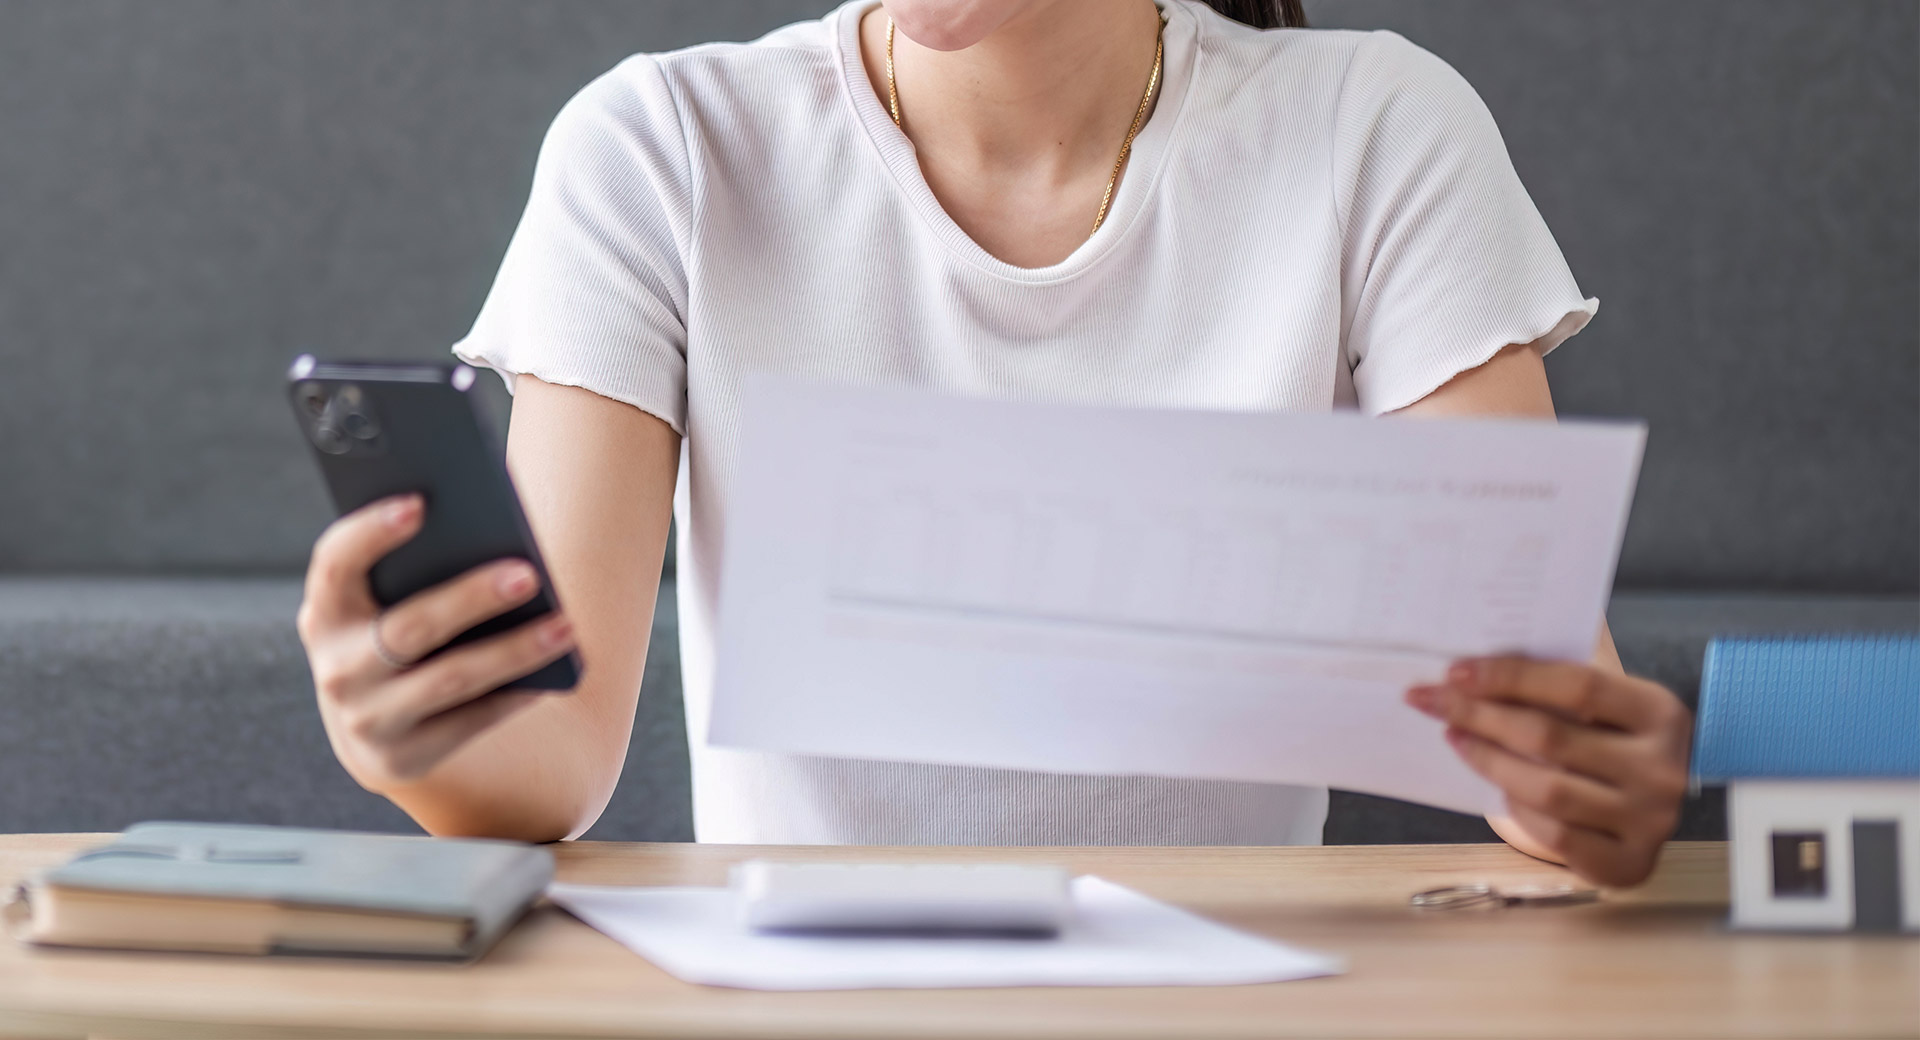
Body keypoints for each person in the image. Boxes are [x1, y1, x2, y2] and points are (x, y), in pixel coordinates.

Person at [294, 0, 1692, 887]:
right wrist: (413, 731)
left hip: (1232, 1005)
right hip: (809, 1006)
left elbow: (1544, 733)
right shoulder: (660, 151)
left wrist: (1596, 796)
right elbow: (550, 760)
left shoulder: (1373, 129)